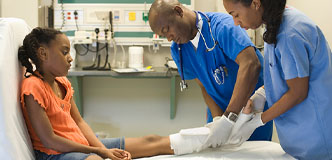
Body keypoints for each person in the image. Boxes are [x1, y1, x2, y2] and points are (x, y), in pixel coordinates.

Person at [18, 27, 173, 160]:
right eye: (64, 52)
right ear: (43, 54)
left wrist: (105, 151)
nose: (70, 58)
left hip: (78, 144)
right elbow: (49, 140)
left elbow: (79, 122)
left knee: (151, 140)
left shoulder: (62, 82)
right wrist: (99, 151)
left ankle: (195, 141)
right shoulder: (33, 87)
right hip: (55, 154)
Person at [148, 0, 272, 148]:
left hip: (251, 112)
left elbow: (251, 64)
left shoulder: (222, 26)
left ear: (179, 11)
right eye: (163, 36)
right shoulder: (179, 50)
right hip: (221, 114)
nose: (169, 38)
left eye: (167, 29)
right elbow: (204, 86)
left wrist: (229, 118)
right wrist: (218, 120)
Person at [223, 0, 332, 159]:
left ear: (255, 3)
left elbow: (298, 92)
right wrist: (260, 96)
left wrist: (258, 121)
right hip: (301, 140)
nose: (236, 23)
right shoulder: (274, 24)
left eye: (236, 15)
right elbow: (284, 75)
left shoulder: (289, 32)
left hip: (317, 138)